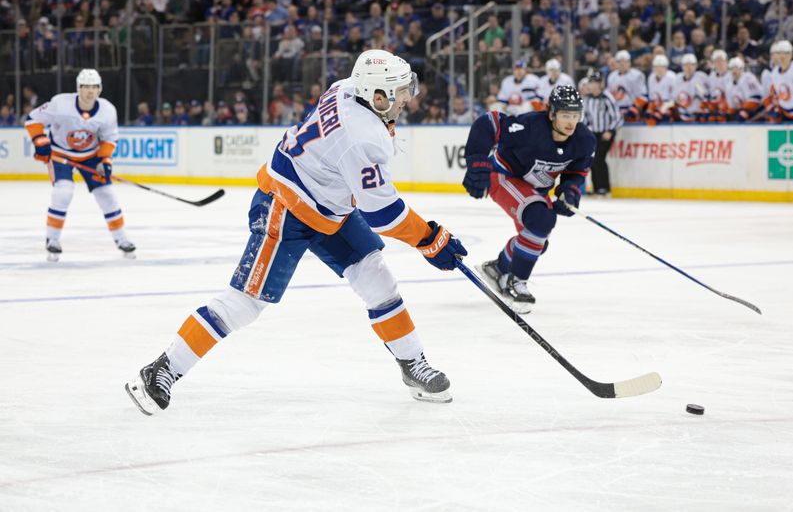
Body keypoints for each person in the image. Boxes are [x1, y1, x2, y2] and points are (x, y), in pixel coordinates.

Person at [125, 50, 468, 415]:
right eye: (399, 92)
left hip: (328, 205)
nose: (407, 98)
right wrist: (430, 239)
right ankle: (163, 368)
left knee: (376, 276)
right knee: (244, 304)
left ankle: (412, 364)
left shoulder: (347, 88)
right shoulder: (363, 135)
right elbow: (383, 212)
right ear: (377, 96)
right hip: (285, 206)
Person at [461, 86, 595, 312]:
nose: (571, 122)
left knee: (536, 242)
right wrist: (477, 161)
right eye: (565, 115)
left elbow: (576, 173)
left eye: (575, 115)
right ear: (551, 113)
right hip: (504, 177)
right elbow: (490, 122)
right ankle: (516, 282)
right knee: (540, 222)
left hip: (535, 190)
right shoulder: (529, 127)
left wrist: (569, 191)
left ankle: (499, 268)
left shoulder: (584, 140)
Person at [24, 69, 135, 262]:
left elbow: (108, 139)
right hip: (60, 154)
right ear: (78, 88)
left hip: (90, 155)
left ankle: (121, 239)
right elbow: (33, 119)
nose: (90, 91)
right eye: (85, 87)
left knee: (106, 194)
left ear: (100, 89)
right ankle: (53, 240)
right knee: (63, 192)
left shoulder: (107, 110)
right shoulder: (60, 103)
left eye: (94, 87)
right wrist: (40, 141)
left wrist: (105, 161)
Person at [583, 71, 622, 196]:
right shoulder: (587, 99)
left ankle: (604, 188)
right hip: (593, 133)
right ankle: (597, 188)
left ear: (600, 84)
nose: (593, 85)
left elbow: (617, 117)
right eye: (591, 82)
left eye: (596, 83)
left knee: (599, 158)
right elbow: (586, 118)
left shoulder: (607, 97)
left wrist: (610, 130)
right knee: (593, 159)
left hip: (606, 132)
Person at [606, 50, 647, 122]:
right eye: (619, 61)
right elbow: (609, 96)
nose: (622, 64)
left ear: (629, 63)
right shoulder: (611, 76)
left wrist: (633, 109)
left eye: (625, 61)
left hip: (631, 108)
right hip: (616, 109)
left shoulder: (637, 75)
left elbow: (644, 97)